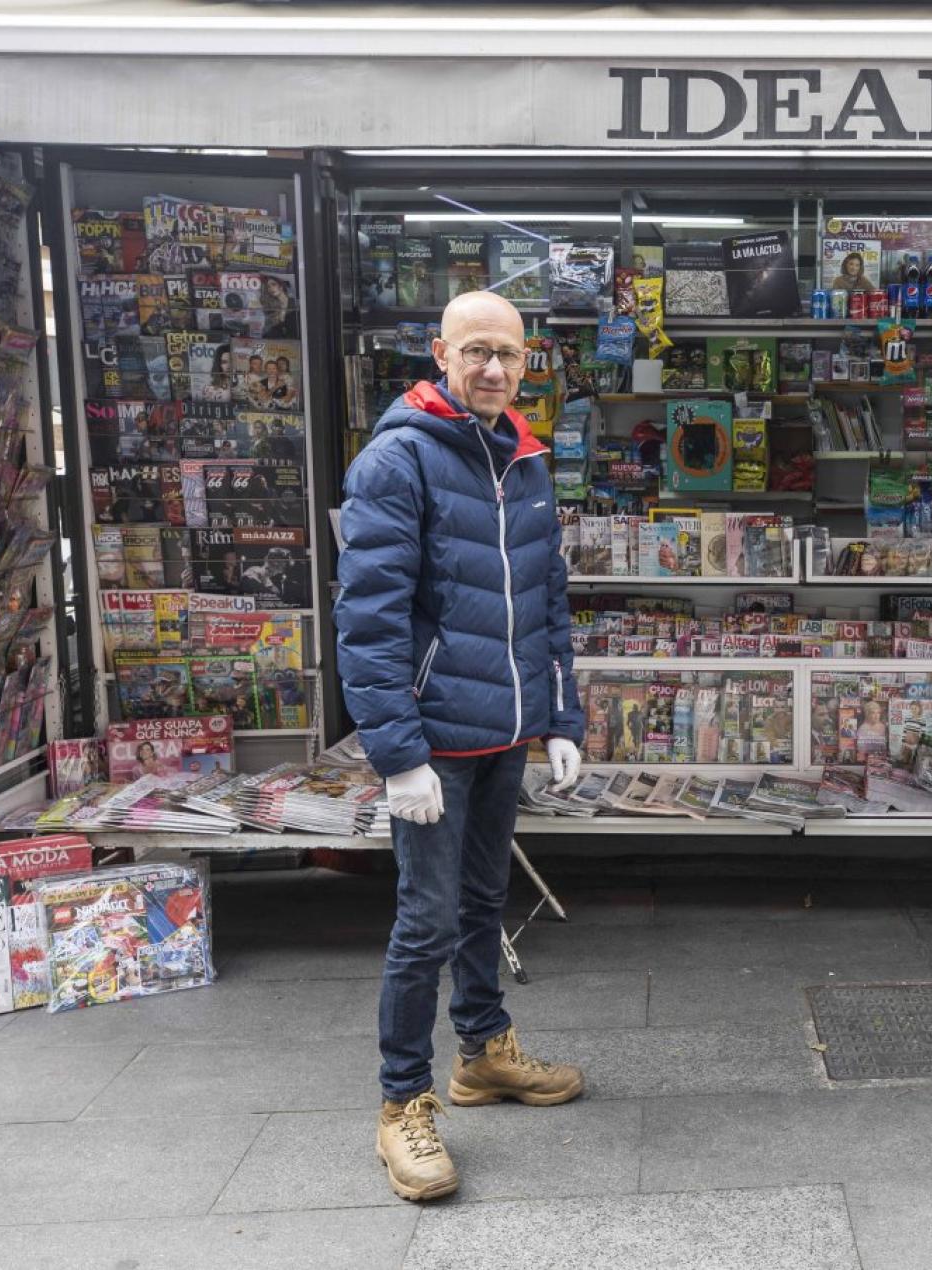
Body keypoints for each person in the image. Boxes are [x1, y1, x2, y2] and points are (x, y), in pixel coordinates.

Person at [336, 289, 588, 1204]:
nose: (493, 368)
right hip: (434, 739)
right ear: (439, 353)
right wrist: (397, 754)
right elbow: (367, 624)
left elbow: (547, 604)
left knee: (484, 900)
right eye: (476, 350)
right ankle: (402, 1102)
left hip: (504, 734)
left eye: (509, 355)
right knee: (427, 920)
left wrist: (561, 718)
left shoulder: (522, 460)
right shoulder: (396, 461)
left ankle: (482, 1054)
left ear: (527, 365)